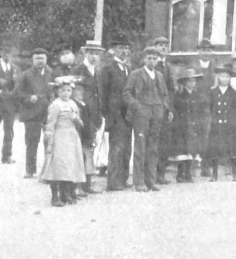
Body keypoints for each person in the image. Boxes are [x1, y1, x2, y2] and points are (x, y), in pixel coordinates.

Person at [124, 47, 172, 192]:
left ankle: (151, 181)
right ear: (144, 59)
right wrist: (137, 107)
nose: (152, 61)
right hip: (141, 115)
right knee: (140, 147)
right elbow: (127, 93)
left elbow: (165, 94)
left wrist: (165, 107)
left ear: (157, 60)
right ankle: (139, 182)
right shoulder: (136, 74)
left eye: (154, 58)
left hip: (157, 113)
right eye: (149, 58)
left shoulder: (159, 75)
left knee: (153, 148)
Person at [40, 76, 87, 206]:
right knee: (58, 165)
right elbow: (50, 124)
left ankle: (66, 193)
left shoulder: (73, 104)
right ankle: (55, 197)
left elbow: (79, 122)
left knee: (70, 164)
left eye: (68, 91)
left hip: (71, 136)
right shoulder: (56, 105)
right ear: (57, 91)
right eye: (62, 91)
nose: (65, 93)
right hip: (59, 136)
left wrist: (77, 120)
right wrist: (49, 141)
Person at [72, 41, 104, 195]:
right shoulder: (78, 70)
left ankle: (88, 183)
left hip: (94, 115)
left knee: (90, 147)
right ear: (85, 53)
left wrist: (99, 115)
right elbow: (76, 95)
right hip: (82, 114)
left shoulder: (97, 71)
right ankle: (77, 184)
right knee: (80, 148)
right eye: (91, 53)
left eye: (97, 54)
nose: (94, 56)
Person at [15, 48, 53, 179]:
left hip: (48, 112)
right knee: (31, 142)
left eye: (42, 58)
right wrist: (28, 98)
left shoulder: (52, 73)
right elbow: (17, 93)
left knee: (50, 142)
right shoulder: (25, 75)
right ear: (32, 60)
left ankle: (49, 170)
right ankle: (30, 170)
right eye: (37, 58)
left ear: (46, 59)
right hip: (32, 113)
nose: (40, 61)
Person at [101, 39, 133, 191]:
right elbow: (103, 93)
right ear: (113, 50)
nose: (124, 51)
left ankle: (123, 179)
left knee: (127, 147)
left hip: (128, 114)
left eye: (126, 48)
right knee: (117, 148)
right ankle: (113, 182)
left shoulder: (129, 69)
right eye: (120, 48)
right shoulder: (107, 69)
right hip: (115, 114)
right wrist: (107, 114)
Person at [171, 69, 210, 183]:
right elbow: (176, 110)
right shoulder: (179, 95)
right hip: (182, 126)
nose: (191, 83)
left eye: (193, 81)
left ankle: (188, 173)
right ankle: (180, 174)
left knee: (191, 149)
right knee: (181, 150)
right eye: (189, 81)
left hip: (194, 126)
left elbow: (202, 111)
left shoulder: (198, 96)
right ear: (184, 82)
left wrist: (200, 123)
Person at [207, 64, 236, 182]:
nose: (224, 79)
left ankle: (234, 172)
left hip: (229, 124)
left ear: (230, 78)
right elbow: (210, 107)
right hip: (217, 124)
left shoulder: (233, 92)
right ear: (218, 77)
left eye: (227, 77)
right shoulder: (213, 91)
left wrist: (234, 123)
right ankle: (214, 173)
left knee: (231, 148)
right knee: (215, 149)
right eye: (222, 76)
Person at [152, 36, 175, 185]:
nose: (163, 47)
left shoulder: (168, 66)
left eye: (165, 45)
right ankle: (151, 174)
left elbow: (171, 89)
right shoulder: (151, 64)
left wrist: (170, 108)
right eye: (160, 45)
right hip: (153, 108)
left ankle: (160, 173)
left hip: (165, 109)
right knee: (153, 141)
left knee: (164, 142)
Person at [0, 47, 18, 164]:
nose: (8, 56)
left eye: (10, 54)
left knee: (9, 131)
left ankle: (6, 156)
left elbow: (17, 85)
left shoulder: (14, 68)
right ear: (2, 53)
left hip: (9, 104)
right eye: (6, 53)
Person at [194, 39, 216, 176]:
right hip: (194, 105)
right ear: (198, 51)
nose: (206, 52)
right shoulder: (192, 66)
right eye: (203, 49)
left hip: (210, 105)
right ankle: (191, 164)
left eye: (208, 50)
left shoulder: (215, 67)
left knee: (207, 135)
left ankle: (205, 166)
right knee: (193, 133)